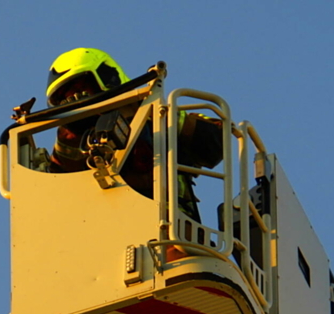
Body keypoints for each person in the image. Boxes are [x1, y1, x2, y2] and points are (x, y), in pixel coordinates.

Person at [45, 48, 224, 225]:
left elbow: (215, 143)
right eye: (66, 97)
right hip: (102, 231)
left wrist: (154, 116)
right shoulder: (70, 136)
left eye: (81, 87)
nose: (75, 97)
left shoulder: (154, 113)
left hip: (171, 227)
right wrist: (75, 130)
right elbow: (57, 182)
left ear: (107, 78)